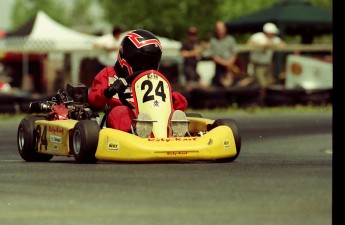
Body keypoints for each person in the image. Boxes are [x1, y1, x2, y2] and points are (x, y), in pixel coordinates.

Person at [88, 29, 188, 132]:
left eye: (151, 63)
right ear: (126, 56)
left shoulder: (152, 80)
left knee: (174, 111)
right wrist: (109, 91)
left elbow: (181, 104)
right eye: (142, 62)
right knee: (121, 112)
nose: (146, 67)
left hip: (154, 115)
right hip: (121, 125)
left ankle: (175, 130)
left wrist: (173, 99)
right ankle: (138, 130)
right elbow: (93, 100)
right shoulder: (108, 74)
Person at [247, 22, 286, 91]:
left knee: (269, 83)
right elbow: (249, 43)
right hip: (257, 64)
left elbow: (283, 44)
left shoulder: (274, 39)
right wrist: (263, 45)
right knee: (262, 84)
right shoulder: (258, 36)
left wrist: (272, 44)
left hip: (268, 65)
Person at [209, 21, 238, 87]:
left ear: (225, 29)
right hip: (220, 68)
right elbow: (214, 56)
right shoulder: (213, 41)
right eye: (218, 29)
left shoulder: (231, 39)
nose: (220, 31)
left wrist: (230, 63)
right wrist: (226, 63)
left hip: (231, 67)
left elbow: (234, 53)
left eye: (221, 29)